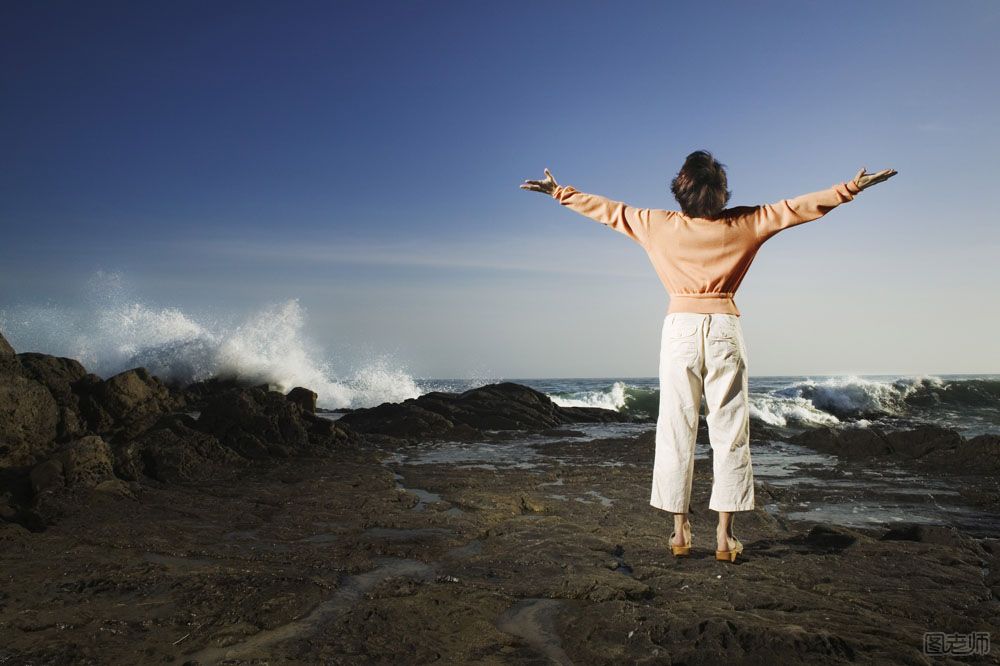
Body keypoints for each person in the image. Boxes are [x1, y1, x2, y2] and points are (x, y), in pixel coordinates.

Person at [520, 151, 896, 562]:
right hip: (723, 328)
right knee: (729, 431)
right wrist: (850, 188)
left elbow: (609, 211)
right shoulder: (745, 223)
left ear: (680, 192)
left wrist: (560, 192)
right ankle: (723, 538)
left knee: (676, 427)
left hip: (679, 329)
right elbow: (796, 209)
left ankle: (680, 533)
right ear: (722, 194)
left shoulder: (656, 225)